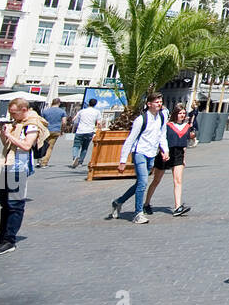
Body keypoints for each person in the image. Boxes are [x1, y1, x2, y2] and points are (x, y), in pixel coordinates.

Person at [0, 97, 44, 256]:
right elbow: (8, 145)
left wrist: (11, 135)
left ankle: (10, 240)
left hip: (19, 169)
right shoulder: (16, 124)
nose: (12, 116)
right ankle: (2, 237)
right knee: (5, 204)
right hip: (7, 165)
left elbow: (26, 146)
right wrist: (3, 134)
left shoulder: (32, 125)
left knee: (15, 205)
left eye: (14, 113)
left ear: (24, 110)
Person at [107, 93, 170, 224]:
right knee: (143, 182)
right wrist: (123, 160)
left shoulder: (162, 117)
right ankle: (138, 213)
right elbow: (130, 140)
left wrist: (165, 150)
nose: (159, 103)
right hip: (139, 153)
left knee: (139, 184)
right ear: (149, 104)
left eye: (160, 101)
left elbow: (162, 135)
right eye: (157, 101)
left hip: (152, 154)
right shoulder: (141, 120)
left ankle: (118, 202)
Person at [145, 104, 194, 216]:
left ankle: (178, 207)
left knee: (178, 181)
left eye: (183, 113)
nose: (182, 115)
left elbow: (184, 145)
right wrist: (162, 151)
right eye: (180, 113)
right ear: (175, 114)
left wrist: (184, 158)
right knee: (156, 180)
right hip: (166, 153)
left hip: (179, 155)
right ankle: (147, 203)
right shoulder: (167, 126)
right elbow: (161, 139)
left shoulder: (187, 127)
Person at [69, 98, 104, 168]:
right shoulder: (97, 112)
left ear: (88, 103)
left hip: (80, 131)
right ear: (95, 104)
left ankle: (75, 157)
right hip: (90, 131)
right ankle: (80, 162)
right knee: (85, 147)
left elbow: (74, 120)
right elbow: (99, 123)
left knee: (76, 145)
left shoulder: (82, 111)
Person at [36, 98, 66, 167]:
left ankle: (39, 160)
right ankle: (44, 162)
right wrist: (62, 130)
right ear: (59, 103)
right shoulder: (62, 112)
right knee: (50, 147)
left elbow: (41, 121)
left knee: (42, 146)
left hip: (46, 130)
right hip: (56, 131)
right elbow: (64, 122)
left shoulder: (45, 111)